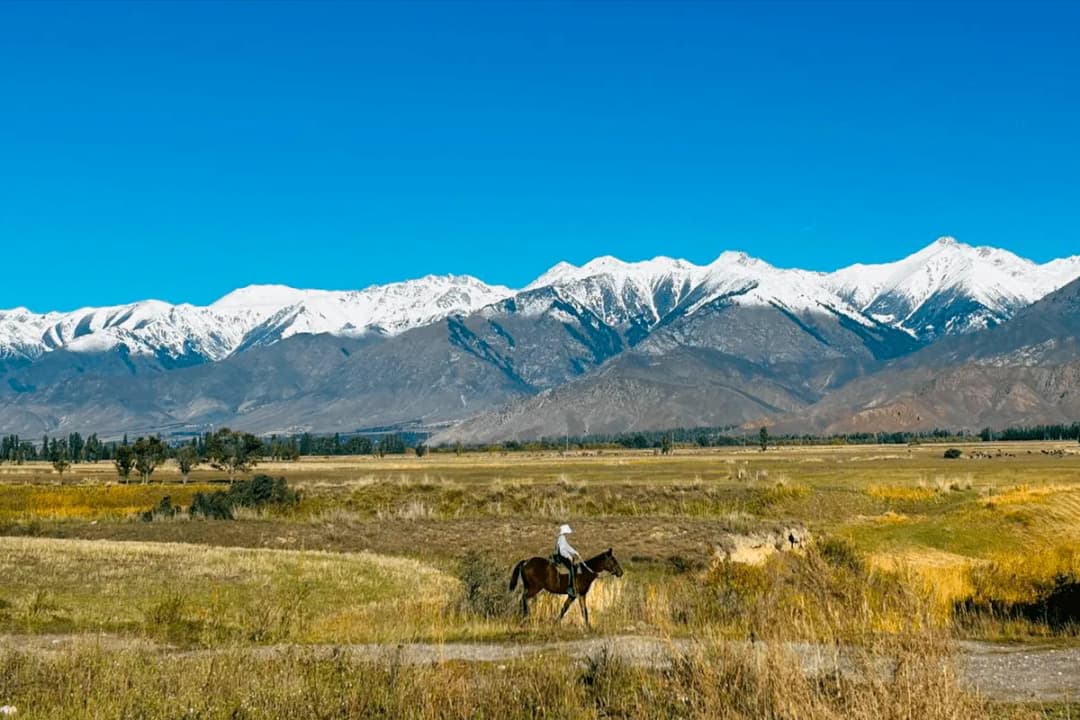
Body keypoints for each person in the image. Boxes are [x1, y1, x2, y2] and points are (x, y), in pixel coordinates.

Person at [553, 523, 583, 598]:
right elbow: (563, 550)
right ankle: (570, 588)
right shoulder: (562, 538)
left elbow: (567, 547)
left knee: (573, 566)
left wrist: (575, 552)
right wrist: (569, 556)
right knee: (572, 568)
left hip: (560, 555)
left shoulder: (562, 537)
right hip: (560, 556)